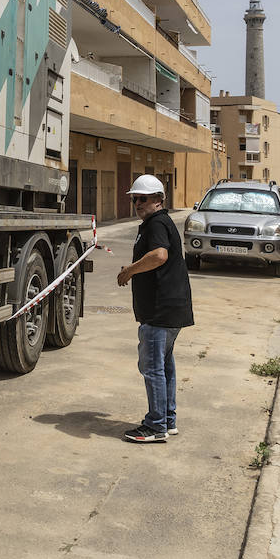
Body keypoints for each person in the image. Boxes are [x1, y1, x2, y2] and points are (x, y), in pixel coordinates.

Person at [116, 175, 194, 443]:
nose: (137, 203)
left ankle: (156, 425)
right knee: (164, 367)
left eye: (143, 198)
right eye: (134, 198)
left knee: (152, 368)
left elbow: (159, 255)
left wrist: (130, 270)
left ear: (159, 200)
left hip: (160, 312)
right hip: (169, 310)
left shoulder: (157, 223)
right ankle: (167, 420)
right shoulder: (155, 223)